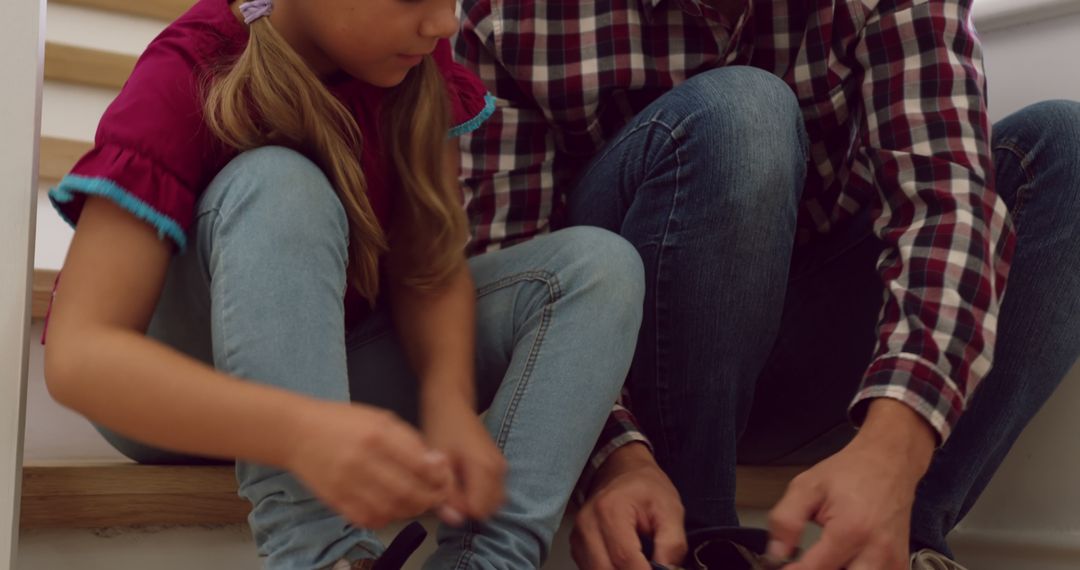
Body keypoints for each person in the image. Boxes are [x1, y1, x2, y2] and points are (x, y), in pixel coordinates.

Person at [454, 0, 1080, 568]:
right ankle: (698, 543)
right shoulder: (516, 15)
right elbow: (517, 270)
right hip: (619, 365)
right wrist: (616, 458)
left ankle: (900, 541)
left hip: (810, 344)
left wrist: (894, 447)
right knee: (743, 110)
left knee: (1067, 149)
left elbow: (946, 201)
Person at [41, 0, 646, 568]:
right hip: (175, 388)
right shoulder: (189, 71)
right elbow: (79, 356)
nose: (441, 21)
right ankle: (324, 552)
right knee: (280, 182)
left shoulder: (410, 60)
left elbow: (427, 267)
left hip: (334, 377)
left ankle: (486, 560)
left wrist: (448, 400)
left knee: (598, 268)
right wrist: (300, 428)